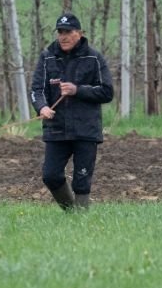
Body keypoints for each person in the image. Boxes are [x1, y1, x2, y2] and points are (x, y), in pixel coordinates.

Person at [30, 12, 114, 210]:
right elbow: (36, 90)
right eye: (60, 31)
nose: (63, 36)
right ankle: (71, 212)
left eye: (68, 31)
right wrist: (41, 106)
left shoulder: (94, 58)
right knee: (50, 175)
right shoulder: (47, 57)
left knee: (81, 180)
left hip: (86, 129)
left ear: (79, 33)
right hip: (56, 129)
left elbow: (107, 92)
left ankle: (81, 219)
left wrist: (78, 90)